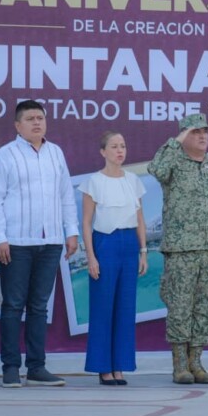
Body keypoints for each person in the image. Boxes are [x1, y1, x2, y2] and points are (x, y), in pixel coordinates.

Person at [0, 100, 79, 388]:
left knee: (39, 306)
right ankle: (11, 368)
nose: (37, 123)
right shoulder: (5, 155)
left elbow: (65, 195)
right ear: (18, 125)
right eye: (30, 119)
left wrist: (71, 231)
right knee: (13, 305)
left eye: (40, 118)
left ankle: (37, 367)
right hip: (15, 242)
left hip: (50, 241)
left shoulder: (56, 153)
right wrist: (0, 238)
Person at [148, 113, 208, 385]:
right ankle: (179, 365)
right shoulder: (173, 163)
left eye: (205, 131)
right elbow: (155, 168)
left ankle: (196, 361)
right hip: (181, 249)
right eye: (195, 132)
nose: (202, 136)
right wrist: (177, 140)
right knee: (180, 307)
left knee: (206, 308)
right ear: (184, 135)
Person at [80, 131, 148, 385]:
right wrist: (91, 257)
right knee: (102, 307)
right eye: (114, 146)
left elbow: (140, 219)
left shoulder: (133, 180)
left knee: (125, 307)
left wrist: (143, 251)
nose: (120, 150)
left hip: (129, 244)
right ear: (103, 152)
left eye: (123, 146)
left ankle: (120, 365)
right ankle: (102, 367)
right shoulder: (93, 182)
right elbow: (86, 223)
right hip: (105, 243)